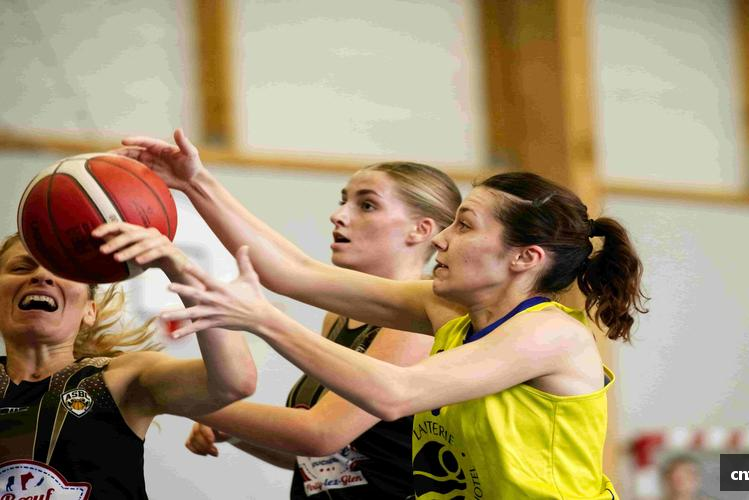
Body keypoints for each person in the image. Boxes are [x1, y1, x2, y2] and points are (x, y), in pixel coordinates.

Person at [128, 131, 647, 498]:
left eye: (464, 226)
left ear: (524, 258)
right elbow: (293, 272)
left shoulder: (550, 333)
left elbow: (394, 394)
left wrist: (261, 322)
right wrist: (196, 183)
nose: (442, 238)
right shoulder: (447, 310)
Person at [118, 130, 461, 499]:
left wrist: (177, 398)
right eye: (343, 200)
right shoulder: (338, 318)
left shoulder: (417, 329)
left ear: (421, 230)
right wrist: (236, 432)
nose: (338, 215)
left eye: (366, 205)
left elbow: (320, 433)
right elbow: (328, 461)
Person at [0, 223, 256, 500]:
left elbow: (235, 381)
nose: (42, 276)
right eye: (21, 268)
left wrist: (179, 267)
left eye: (62, 270)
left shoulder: (119, 378)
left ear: (90, 310)